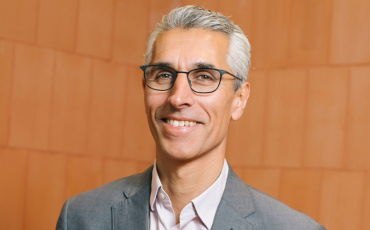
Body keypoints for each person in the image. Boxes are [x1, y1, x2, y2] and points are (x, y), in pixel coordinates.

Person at [56, 5, 326, 230]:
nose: (177, 97)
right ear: (144, 88)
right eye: (164, 75)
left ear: (239, 99)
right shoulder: (81, 218)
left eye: (205, 77)